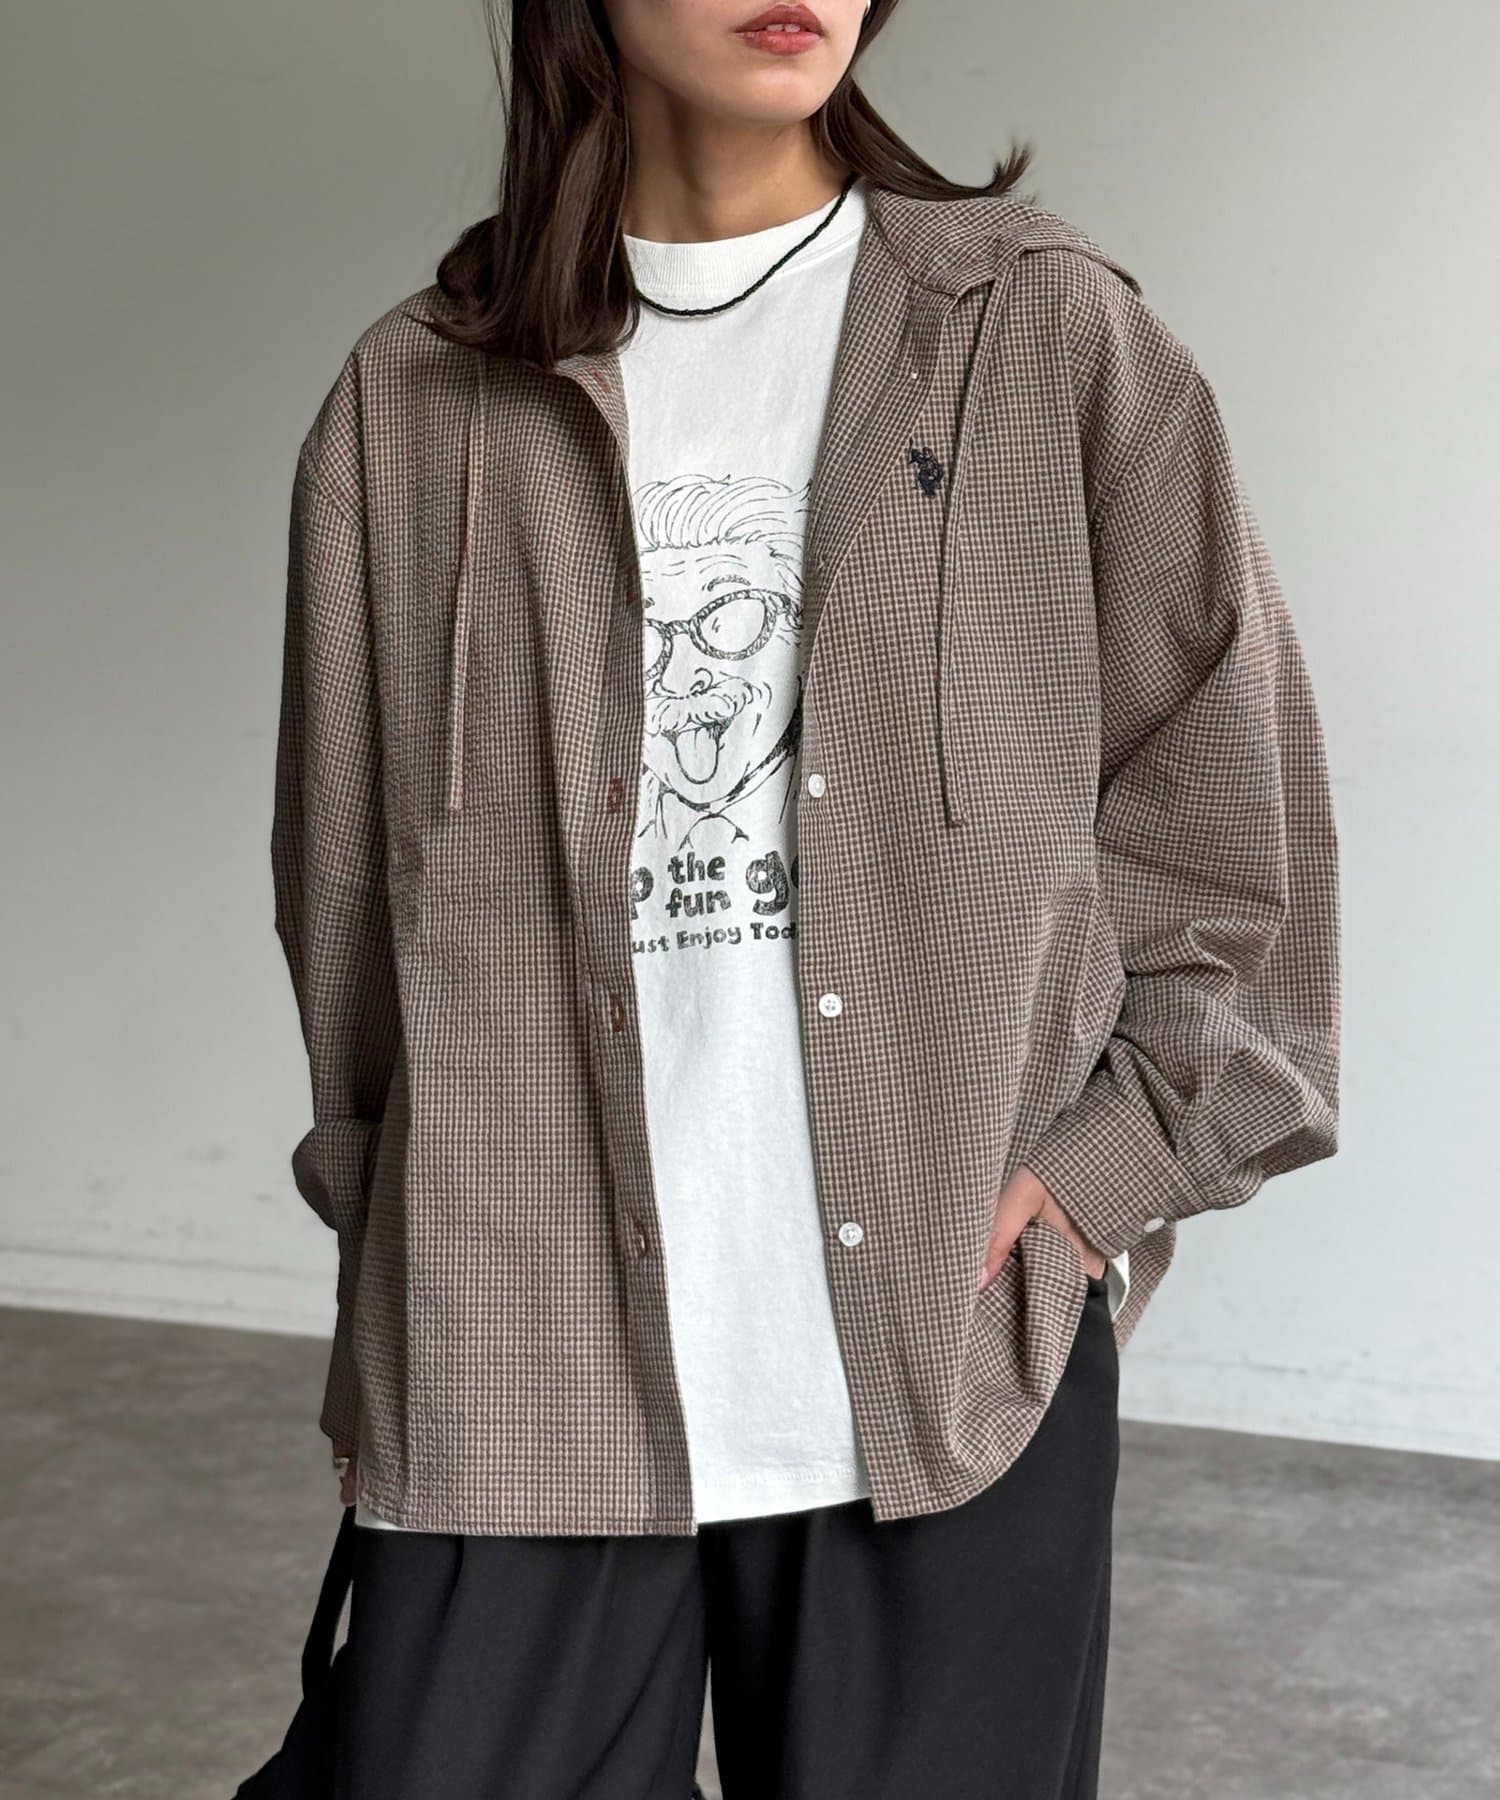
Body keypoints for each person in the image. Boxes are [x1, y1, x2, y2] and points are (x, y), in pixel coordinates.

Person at [268, 1, 1341, 1794]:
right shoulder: (414, 398)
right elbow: (351, 901)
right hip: (512, 1336)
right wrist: (390, 1292)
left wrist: (1102, 1177)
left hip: (943, 1340)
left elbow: (1229, 810)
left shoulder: (1039, 329)